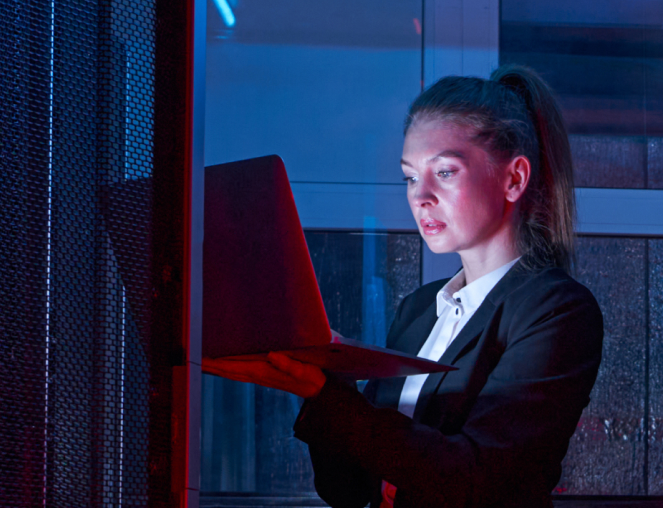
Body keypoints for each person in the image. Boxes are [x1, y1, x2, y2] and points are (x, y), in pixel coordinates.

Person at [203, 65, 604, 508]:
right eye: (410, 177)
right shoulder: (418, 310)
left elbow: (476, 479)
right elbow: (349, 490)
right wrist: (328, 381)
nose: (420, 196)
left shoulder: (558, 311)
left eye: (444, 172)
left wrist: (329, 397)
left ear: (513, 179)